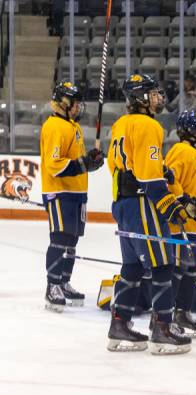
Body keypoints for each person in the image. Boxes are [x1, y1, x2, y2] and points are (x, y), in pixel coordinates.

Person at [107, 73, 192, 355]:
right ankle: (162, 329)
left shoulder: (121, 123)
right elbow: (148, 177)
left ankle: (119, 324)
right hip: (143, 203)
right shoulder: (148, 125)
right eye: (152, 93)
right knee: (163, 264)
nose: (158, 98)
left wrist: (161, 174)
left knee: (132, 266)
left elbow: (119, 166)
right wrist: (171, 206)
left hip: (122, 202)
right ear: (140, 98)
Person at [39, 81, 105, 312]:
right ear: (64, 103)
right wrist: (82, 164)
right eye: (75, 104)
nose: (79, 108)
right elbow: (54, 164)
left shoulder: (72, 126)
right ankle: (52, 285)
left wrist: (90, 161)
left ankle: (64, 281)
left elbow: (77, 161)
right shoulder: (55, 126)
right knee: (59, 238)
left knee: (72, 240)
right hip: (60, 192)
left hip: (77, 192)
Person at [164, 109, 196, 338]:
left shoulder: (195, 154)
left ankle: (182, 313)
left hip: (192, 226)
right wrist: (186, 203)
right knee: (178, 269)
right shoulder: (181, 151)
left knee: (190, 269)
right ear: (189, 130)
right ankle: (166, 316)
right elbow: (170, 181)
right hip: (178, 224)